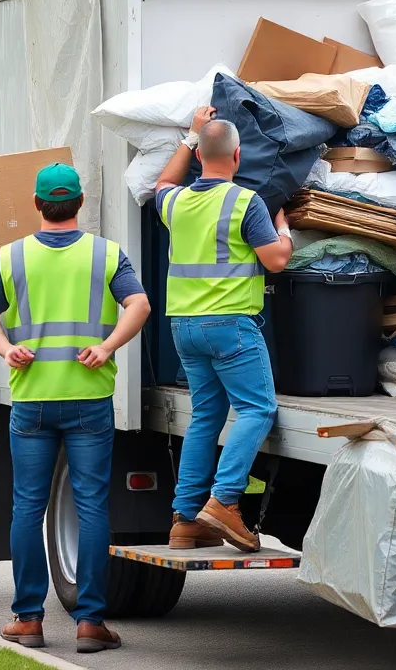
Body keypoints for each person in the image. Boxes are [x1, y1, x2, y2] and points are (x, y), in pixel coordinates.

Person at [0, 163, 150, 654]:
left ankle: (28, 619)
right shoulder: (106, 254)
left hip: (31, 401)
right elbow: (140, 305)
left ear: (36, 204)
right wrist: (108, 345)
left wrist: (7, 349)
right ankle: (91, 623)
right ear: (81, 202)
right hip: (88, 400)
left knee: (27, 508)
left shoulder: (12, 257)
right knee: (91, 507)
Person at [154, 107, 293, 553]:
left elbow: (161, 183)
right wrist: (284, 231)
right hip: (230, 325)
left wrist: (190, 136)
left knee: (205, 418)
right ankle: (225, 501)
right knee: (256, 410)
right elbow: (276, 261)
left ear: (199, 156)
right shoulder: (244, 202)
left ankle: (185, 519)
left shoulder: (174, 202)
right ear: (237, 155)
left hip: (185, 328)